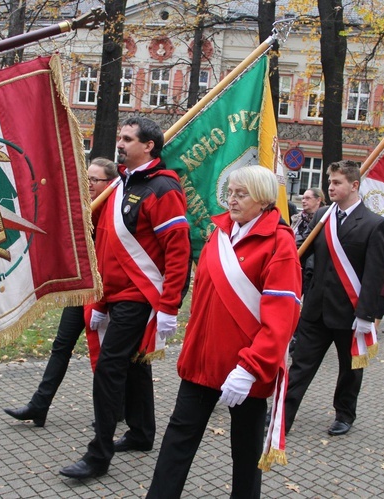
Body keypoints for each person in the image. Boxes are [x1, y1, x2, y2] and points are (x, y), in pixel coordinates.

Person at [146, 166, 301, 498]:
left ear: (263, 200)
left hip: (245, 369)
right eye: (230, 192)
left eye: (241, 194)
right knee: (176, 442)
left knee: (245, 455)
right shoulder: (219, 232)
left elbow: (281, 319)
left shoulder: (280, 244)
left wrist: (251, 369)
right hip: (202, 362)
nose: (231, 199)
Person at [59, 117, 191, 479]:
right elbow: (105, 246)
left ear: (149, 146)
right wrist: (100, 302)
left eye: (128, 138)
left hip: (141, 295)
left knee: (109, 368)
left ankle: (98, 455)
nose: (120, 142)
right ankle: (142, 432)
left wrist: (168, 307)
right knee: (134, 363)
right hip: (114, 294)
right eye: (119, 136)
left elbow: (177, 252)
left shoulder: (163, 189)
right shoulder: (118, 184)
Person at [2, 158, 119, 427]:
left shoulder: (114, 212)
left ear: (109, 183)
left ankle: (115, 409)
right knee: (61, 346)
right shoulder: (81, 208)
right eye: (86, 178)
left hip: (107, 294)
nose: (88, 184)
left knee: (108, 354)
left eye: (95, 180)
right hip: (81, 293)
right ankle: (39, 405)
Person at [284, 160, 384, 436]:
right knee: (300, 365)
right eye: (329, 182)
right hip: (316, 309)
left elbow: (374, 275)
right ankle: (283, 414)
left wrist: (367, 316)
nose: (330, 187)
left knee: (350, 369)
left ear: (354, 186)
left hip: (350, 313)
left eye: (337, 182)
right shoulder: (323, 217)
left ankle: (344, 413)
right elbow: (302, 253)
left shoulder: (374, 224)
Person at [289, 188, 326, 353]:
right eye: (302, 198)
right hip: (298, 266)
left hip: (316, 269)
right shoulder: (297, 219)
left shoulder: (326, 219)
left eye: (308, 198)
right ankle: (294, 333)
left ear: (319, 200)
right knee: (294, 302)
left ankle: (302, 336)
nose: (303, 201)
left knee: (310, 304)